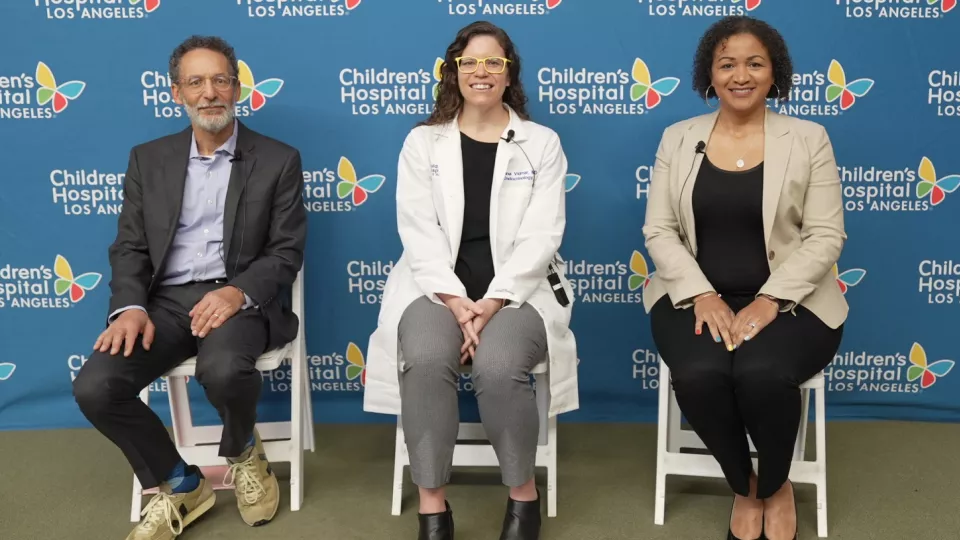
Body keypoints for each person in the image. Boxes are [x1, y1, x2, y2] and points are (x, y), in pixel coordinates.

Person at [72, 35, 307, 540]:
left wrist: (236, 293)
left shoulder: (278, 159)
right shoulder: (147, 159)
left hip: (238, 297)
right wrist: (130, 308)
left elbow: (286, 252)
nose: (210, 93)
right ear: (176, 92)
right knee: (95, 386)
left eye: (220, 80)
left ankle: (243, 451)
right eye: (196, 82)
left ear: (238, 88)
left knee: (222, 370)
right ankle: (180, 482)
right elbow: (130, 246)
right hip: (165, 304)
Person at [362, 20, 577, 540]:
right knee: (429, 357)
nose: (481, 71)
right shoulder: (422, 142)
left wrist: (495, 301)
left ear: (509, 74)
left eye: (493, 62)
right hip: (434, 289)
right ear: (454, 72)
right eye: (470, 61)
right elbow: (418, 230)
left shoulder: (540, 143)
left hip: (517, 293)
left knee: (500, 365)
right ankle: (433, 507)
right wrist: (457, 302)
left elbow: (541, 235)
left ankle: (523, 497)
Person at [642, 16, 847, 540]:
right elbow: (660, 230)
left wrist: (770, 300)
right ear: (708, 74)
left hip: (791, 302)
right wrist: (703, 294)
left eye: (754, 63)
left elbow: (826, 236)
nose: (741, 75)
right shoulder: (678, 137)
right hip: (693, 297)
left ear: (773, 73)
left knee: (761, 374)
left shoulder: (809, 138)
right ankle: (744, 486)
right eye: (727, 63)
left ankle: (777, 487)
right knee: (699, 376)